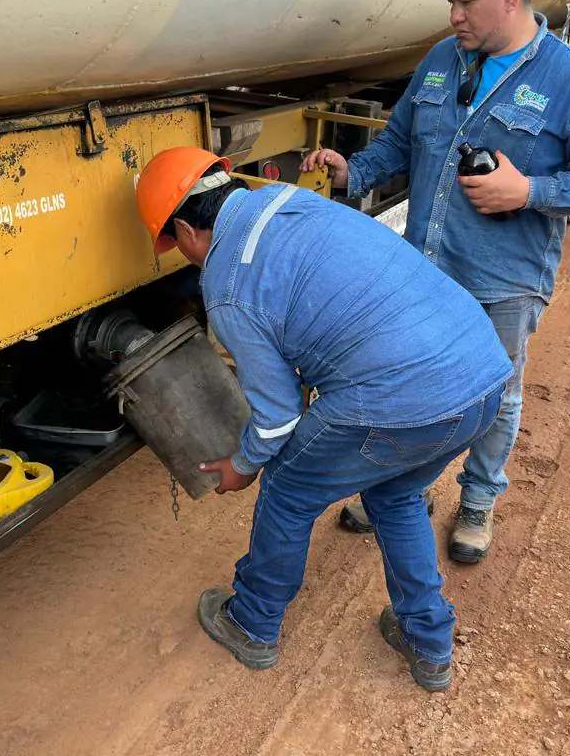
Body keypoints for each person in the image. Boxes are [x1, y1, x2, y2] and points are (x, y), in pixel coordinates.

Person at [301, 0, 570, 563]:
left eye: (465, 0)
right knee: (411, 382)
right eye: (451, 0)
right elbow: (397, 146)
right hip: (427, 268)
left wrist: (529, 191)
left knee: (494, 394)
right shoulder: (439, 63)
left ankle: (477, 502)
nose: (454, 14)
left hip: (503, 279)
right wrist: (350, 170)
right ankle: (407, 487)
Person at [134, 147, 512, 692]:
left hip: (403, 398)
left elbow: (277, 414)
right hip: (481, 377)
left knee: (287, 487)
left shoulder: (228, 284)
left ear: (189, 231)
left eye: (177, 245)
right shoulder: (286, 199)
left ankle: (253, 622)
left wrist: (243, 464)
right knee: (394, 492)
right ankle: (429, 644)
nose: (185, 255)